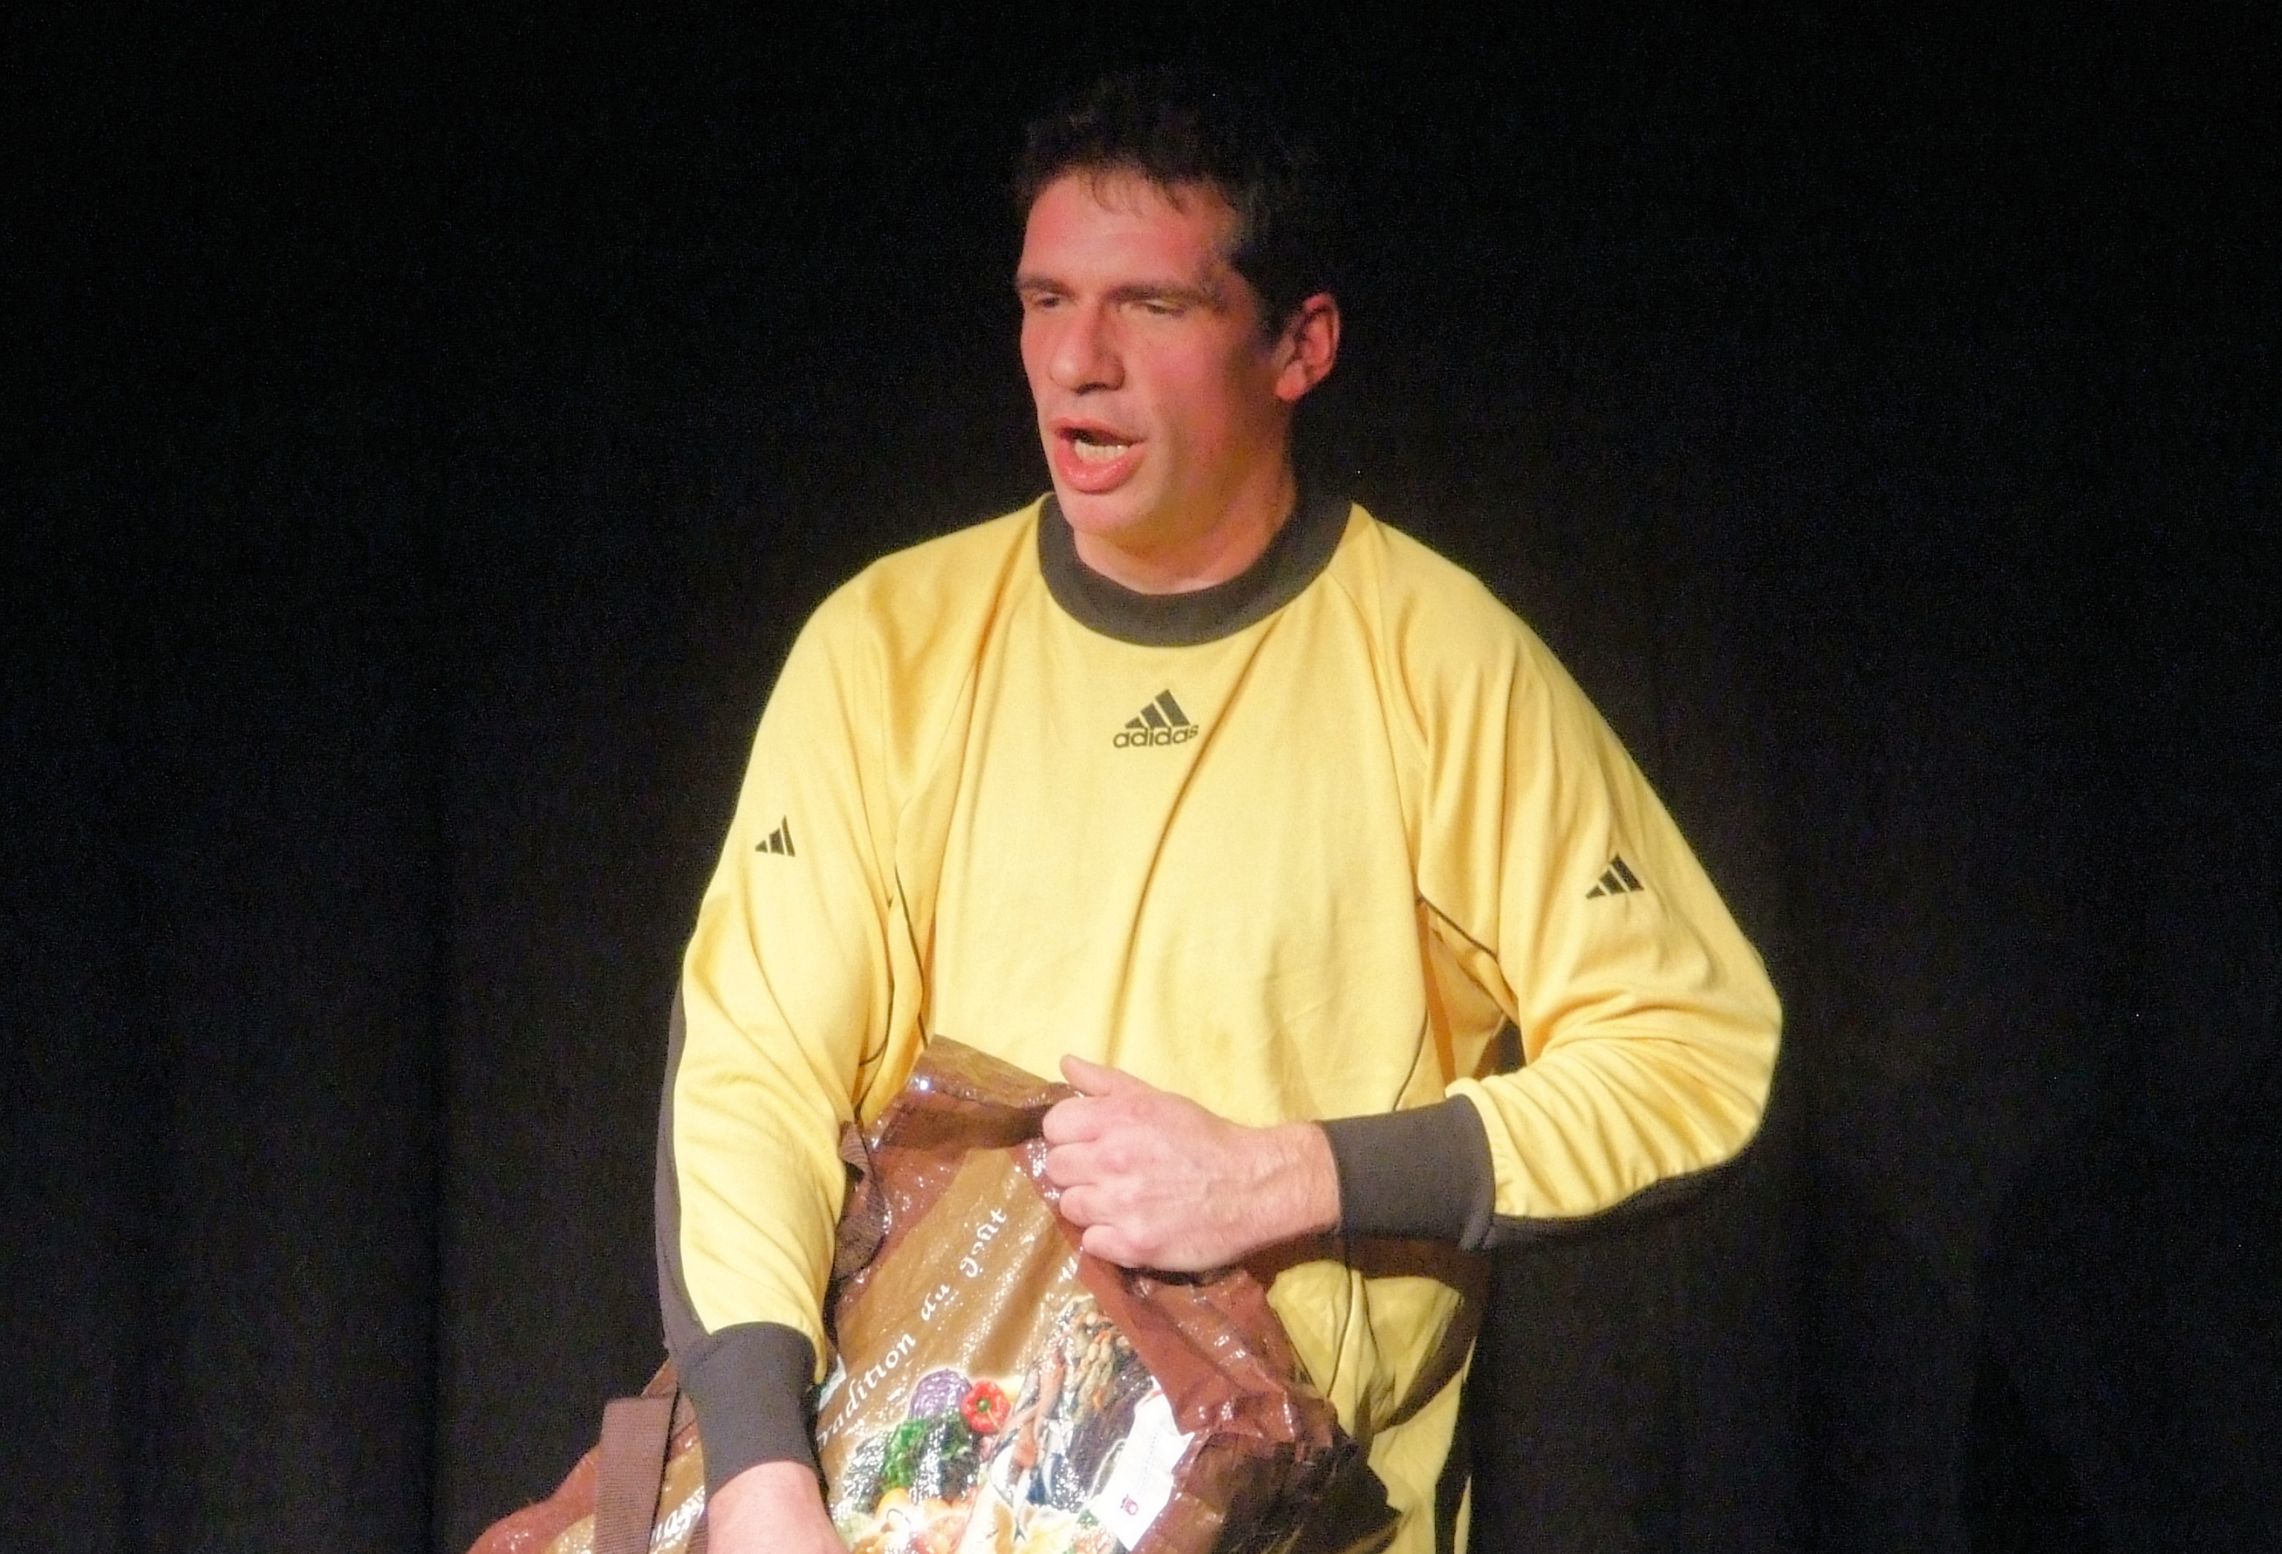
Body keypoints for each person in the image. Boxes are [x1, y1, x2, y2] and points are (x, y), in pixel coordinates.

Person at [655, 67, 1780, 1554]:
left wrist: (1283, 1175)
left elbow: (1691, 1050)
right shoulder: (885, 647)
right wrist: (757, 1474)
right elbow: (751, 1074)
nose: (1077, 361)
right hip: (903, 1510)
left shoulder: (1437, 659)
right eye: (1045, 300)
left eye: (1153, 305)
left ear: (1299, 344)